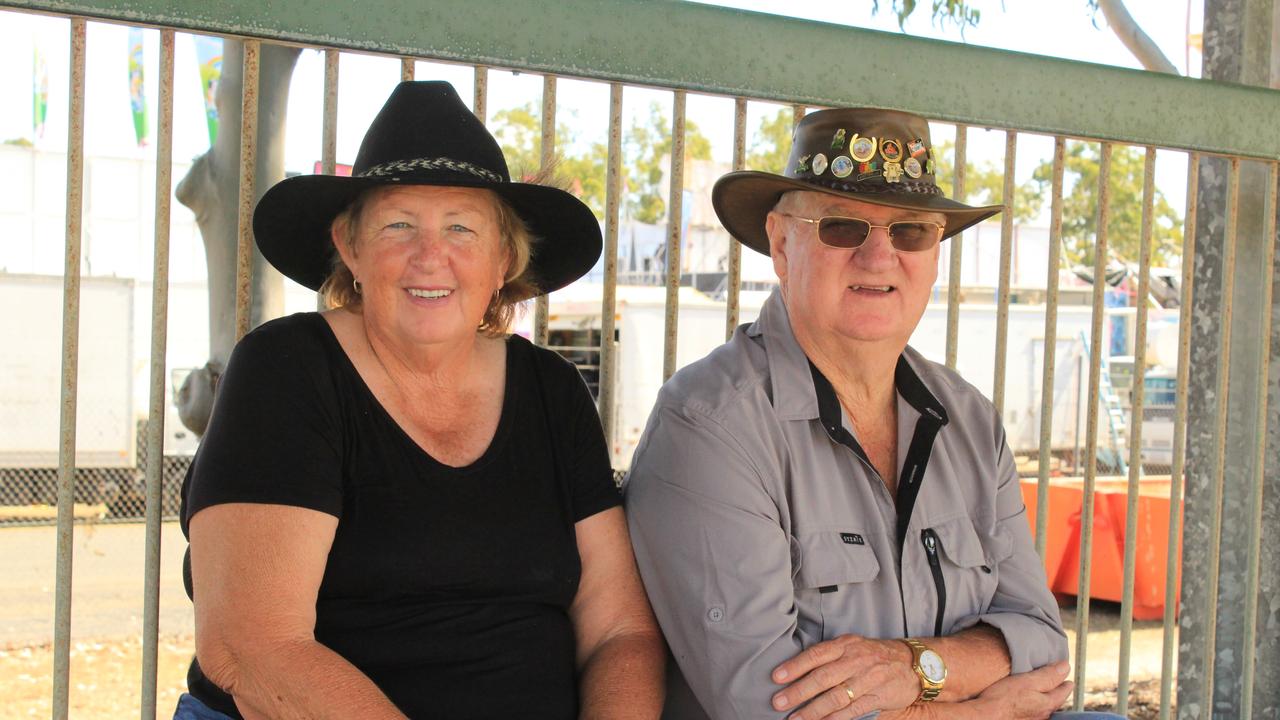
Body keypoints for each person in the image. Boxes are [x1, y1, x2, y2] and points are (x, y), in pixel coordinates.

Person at [176, 81, 664, 720]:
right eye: (398, 224)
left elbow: (620, 632)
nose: (430, 256)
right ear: (350, 249)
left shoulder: (551, 389)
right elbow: (251, 648)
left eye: (461, 228)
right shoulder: (289, 367)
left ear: (503, 261)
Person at [625, 108, 1116, 720]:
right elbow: (769, 707)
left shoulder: (970, 421)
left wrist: (915, 669)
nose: (879, 256)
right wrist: (985, 710)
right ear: (782, 243)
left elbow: (1041, 642)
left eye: (911, 231)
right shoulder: (710, 425)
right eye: (842, 227)